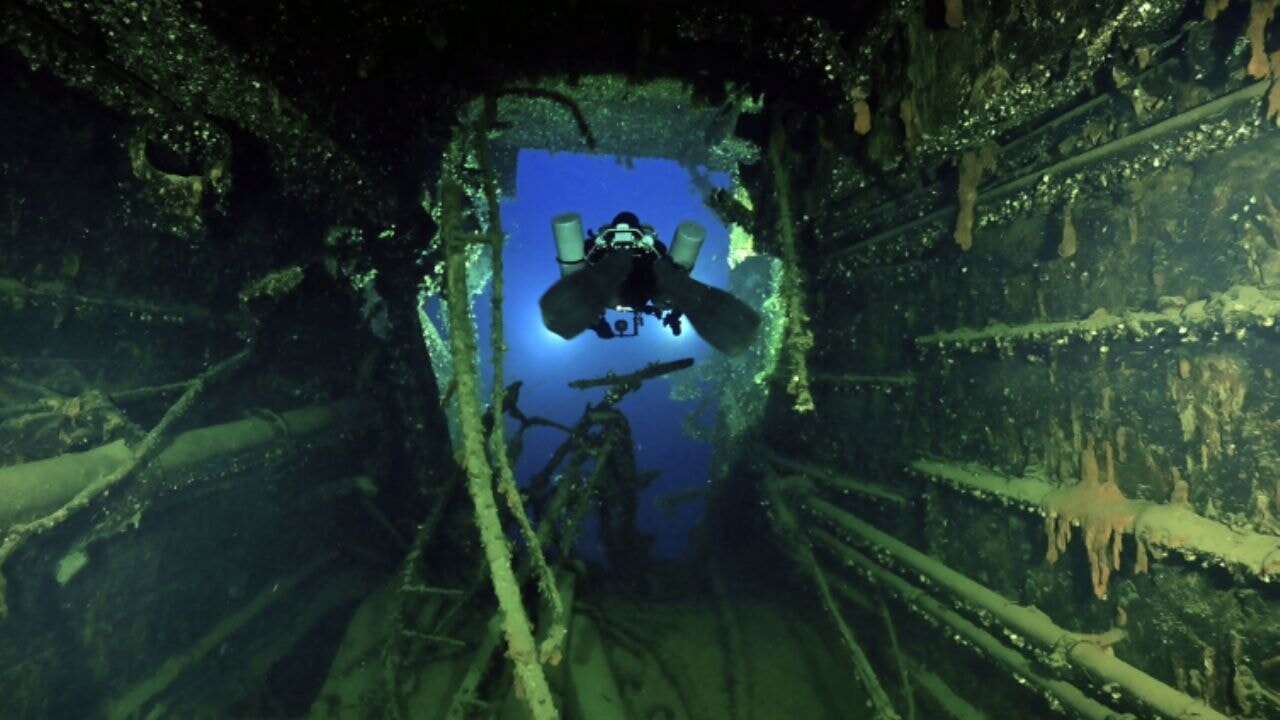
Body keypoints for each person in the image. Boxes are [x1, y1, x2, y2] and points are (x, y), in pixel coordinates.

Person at [539, 211, 760, 355]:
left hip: (613, 288)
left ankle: (652, 289)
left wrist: (597, 325)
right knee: (669, 285)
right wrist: (673, 312)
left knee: (658, 284)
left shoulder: (596, 248)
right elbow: (671, 279)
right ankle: (733, 328)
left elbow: (579, 280)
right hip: (641, 287)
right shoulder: (653, 249)